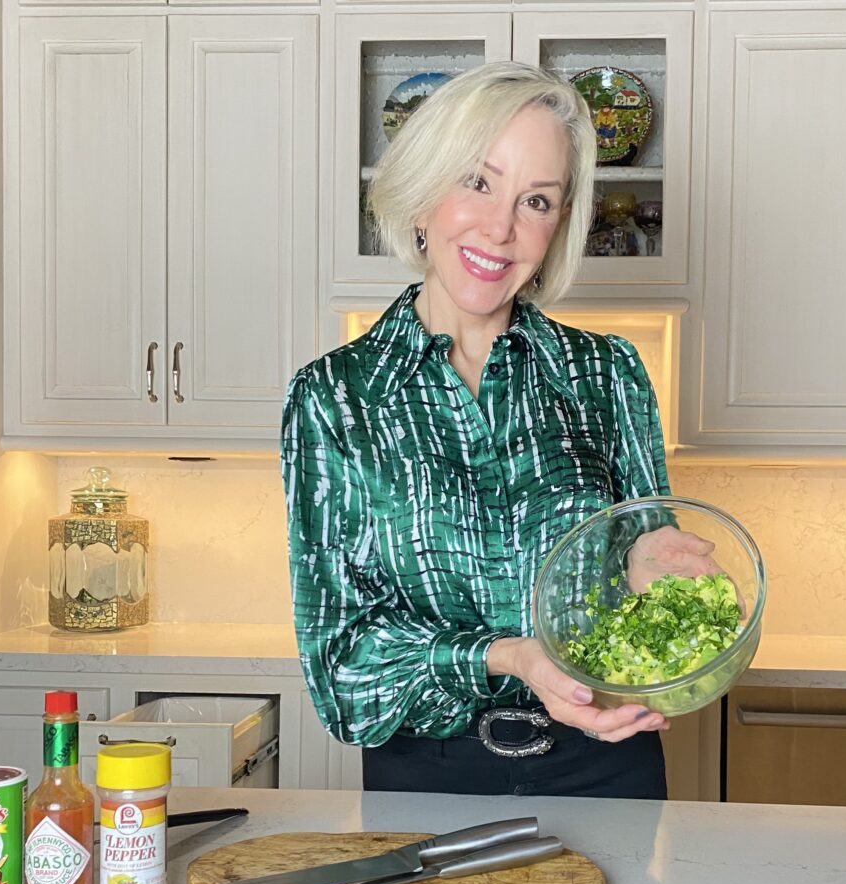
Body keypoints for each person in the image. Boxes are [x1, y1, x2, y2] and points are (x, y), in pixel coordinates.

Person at [280, 62, 722, 799]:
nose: (501, 227)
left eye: (536, 200)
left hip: (605, 767)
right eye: (477, 182)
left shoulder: (607, 375)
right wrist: (508, 656)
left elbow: (648, 588)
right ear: (422, 197)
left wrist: (649, 576)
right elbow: (343, 677)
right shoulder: (336, 399)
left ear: (559, 227)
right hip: (428, 780)